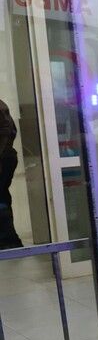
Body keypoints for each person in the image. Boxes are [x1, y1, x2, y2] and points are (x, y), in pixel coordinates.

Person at [0, 97, 21, 249]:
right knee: (3, 197)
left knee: (1, 199)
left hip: (4, 158)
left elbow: (6, 131)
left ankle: (9, 240)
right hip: (6, 156)